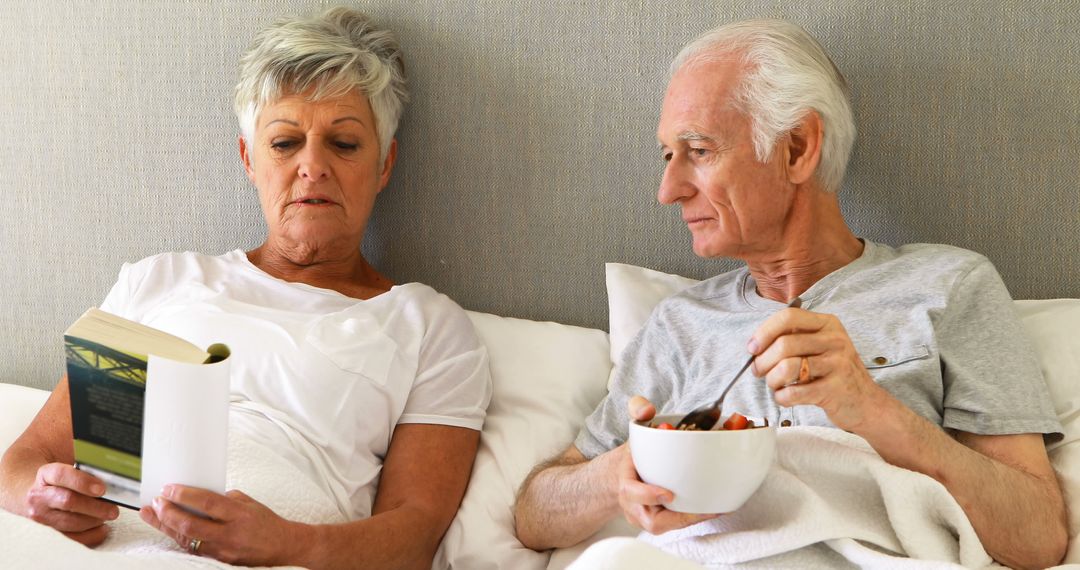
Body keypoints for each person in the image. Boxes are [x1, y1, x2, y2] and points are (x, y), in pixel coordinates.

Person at [514, 19, 1066, 569]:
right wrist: (628, 468)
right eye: (667, 155)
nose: (668, 190)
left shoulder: (948, 285)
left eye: (699, 150)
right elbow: (535, 515)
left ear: (797, 148)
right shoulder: (680, 323)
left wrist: (870, 409)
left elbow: (1038, 535)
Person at [0, 7, 491, 569]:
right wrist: (46, 497)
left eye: (345, 144)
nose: (312, 166)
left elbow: (414, 540)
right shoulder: (159, 281)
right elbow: (25, 462)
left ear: (384, 164)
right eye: (285, 143)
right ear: (248, 160)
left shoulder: (428, 326)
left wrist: (285, 543)